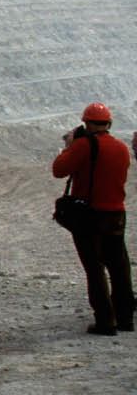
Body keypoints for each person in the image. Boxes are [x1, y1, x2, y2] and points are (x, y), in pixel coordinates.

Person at [51, 102, 133, 336]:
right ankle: (126, 318)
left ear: (87, 123)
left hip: (90, 215)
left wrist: (70, 146)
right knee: (119, 266)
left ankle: (106, 321)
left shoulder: (84, 146)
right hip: (116, 213)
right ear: (109, 123)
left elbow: (58, 170)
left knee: (94, 268)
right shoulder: (121, 147)